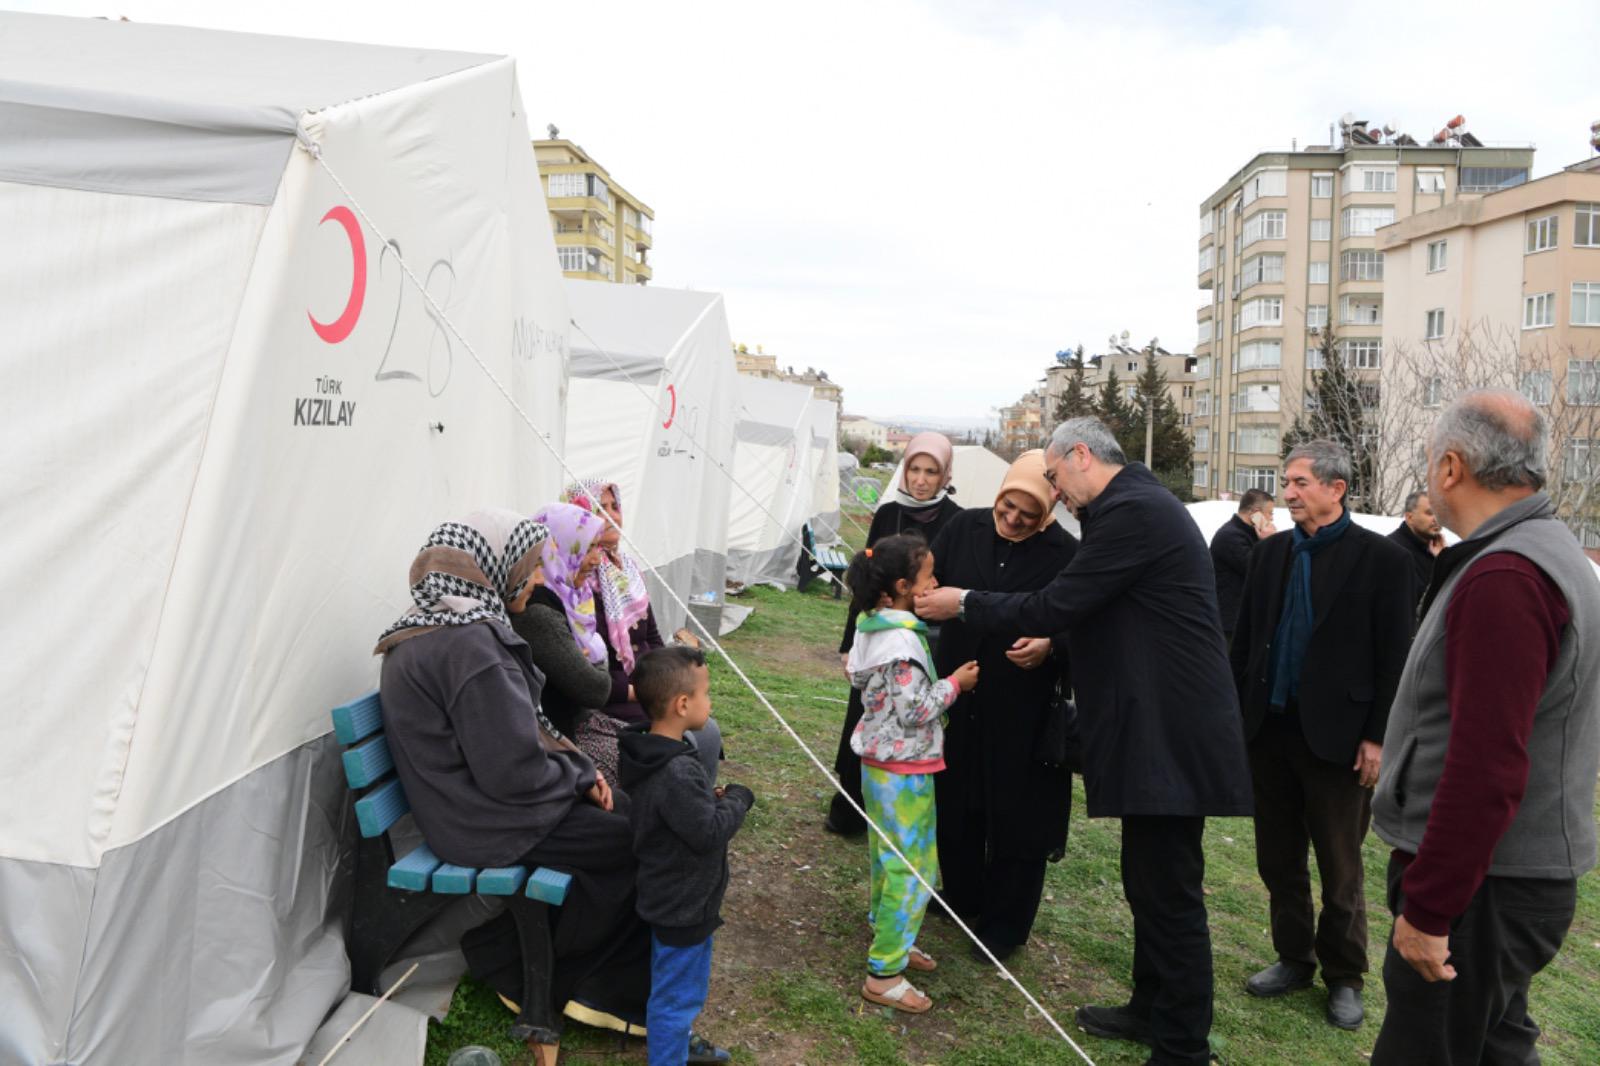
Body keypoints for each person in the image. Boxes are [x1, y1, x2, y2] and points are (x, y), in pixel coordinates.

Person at [917, 417, 1252, 1066]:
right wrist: (1057, 636)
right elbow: (1096, 610)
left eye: (1054, 475)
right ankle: (1149, 1007)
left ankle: (1182, 1047)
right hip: (1153, 729)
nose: (1055, 490)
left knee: (1170, 893)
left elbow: (1055, 601)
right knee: (1146, 882)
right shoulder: (1131, 509)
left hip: (1171, 734)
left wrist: (964, 603)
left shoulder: (1134, 512)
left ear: (1080, 455)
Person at [1371, 390, 1600, 1064]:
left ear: (1450, 467)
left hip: (1484, 890)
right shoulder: (1547, 553)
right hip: (1503, 882)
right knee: (1496, 1047)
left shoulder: (1507, 575)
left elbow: (1485, 768)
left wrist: (1431, 909)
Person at [375, 510, 650, 1047]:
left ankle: (543, 969)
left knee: (625, 818)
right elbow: (515, 771)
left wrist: (581, 770)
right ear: (494, 569)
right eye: (531, 568)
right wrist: (580, 776)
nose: (541, 579)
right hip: (486, 818)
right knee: (640, 837)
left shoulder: (439, 629)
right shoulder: (469, 647)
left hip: (471, 807)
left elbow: (513, 750)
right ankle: (529, 969)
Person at [1228, 440, 1415, 1031]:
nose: (1287, 494)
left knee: (1340, 867)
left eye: (1300, 483)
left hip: (1339, 742)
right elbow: (1244, 642)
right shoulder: (1270, 554)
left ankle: (1345, 976)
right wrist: (1234, 718)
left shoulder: (1383, 562)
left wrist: (1378, 738)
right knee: (1278, 860)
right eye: (1286, 482)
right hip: (1269, 733)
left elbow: (1396, 659)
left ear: (1335, 489)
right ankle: (1293, 958)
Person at [927, 449, 1078, 962]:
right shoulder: (962, 530)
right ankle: (962, 896)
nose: (1012, 520)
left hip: (1022, 705)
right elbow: (928, 580)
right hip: (958, 694)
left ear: (1049, 511)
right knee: (956, 801)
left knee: (1015, 815)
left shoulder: (1067, 555)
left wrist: (1051, 646)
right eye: (1004, 509)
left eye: (1027, 514)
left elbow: (1083, 622)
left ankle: (1004, 925)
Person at [845, 533, 980, 1014]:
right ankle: (884, 972)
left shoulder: (874, 624)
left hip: (879, 765)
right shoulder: (902, 645)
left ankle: (891, 934)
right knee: (914, 867)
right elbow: (915, 710)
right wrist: (955, 685)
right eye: (930, 577)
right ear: (903, 586)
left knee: (888, 857)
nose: (938, 583)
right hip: (903, 770)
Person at [618, 646, 753, 1066]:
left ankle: (676, 1046)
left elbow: (679, 814)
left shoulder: (649, 752)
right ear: (682, 704)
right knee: (677, 999)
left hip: (668, 894)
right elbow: (707, 832)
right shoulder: (676, 770)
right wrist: (738, 800)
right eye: (706, 693)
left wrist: (704, 800)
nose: (709, 702)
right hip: (684, 905)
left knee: (672, 989)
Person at [827, 432, 963, 835]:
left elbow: (949, 580)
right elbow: (865, 580)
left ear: (944, 475)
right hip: (879, 630)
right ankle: (852, 806)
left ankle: (903, 807)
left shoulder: (956, 518)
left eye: (931, 471)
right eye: (915, 469)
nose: (921, 480)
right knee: (867, 713)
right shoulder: (889, 512)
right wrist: (849, 642)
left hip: (924, 635)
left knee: (913, 717)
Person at [562, 480, 723, 785]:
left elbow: (652, 639)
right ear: (579, 521)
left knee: (708, 732)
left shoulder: (628, 572)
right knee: (684, 740)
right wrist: (649, 691)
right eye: (599, 509)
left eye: (614, 507)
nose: (611, 516)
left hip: (649, 690)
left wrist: (667, 678)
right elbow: (591, 671)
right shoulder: (577, 584)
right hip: (611, 700)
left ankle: (700, 806)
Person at [1209, 487, 1275, 641]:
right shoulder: (1230, 536)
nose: (1271, 519)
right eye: (1270, 513)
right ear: (1255, 513)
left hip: (1241, 618)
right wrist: (1269, 542)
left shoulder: (1248, 534)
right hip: (1229, 622)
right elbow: (1256, 569)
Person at [1386, 489, 1445, 596]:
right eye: (1429, 513)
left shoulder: (1439, 550)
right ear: (1409, 517)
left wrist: (1443, 559)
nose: (1436, 519)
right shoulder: (1391, 550)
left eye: (1440, 513)